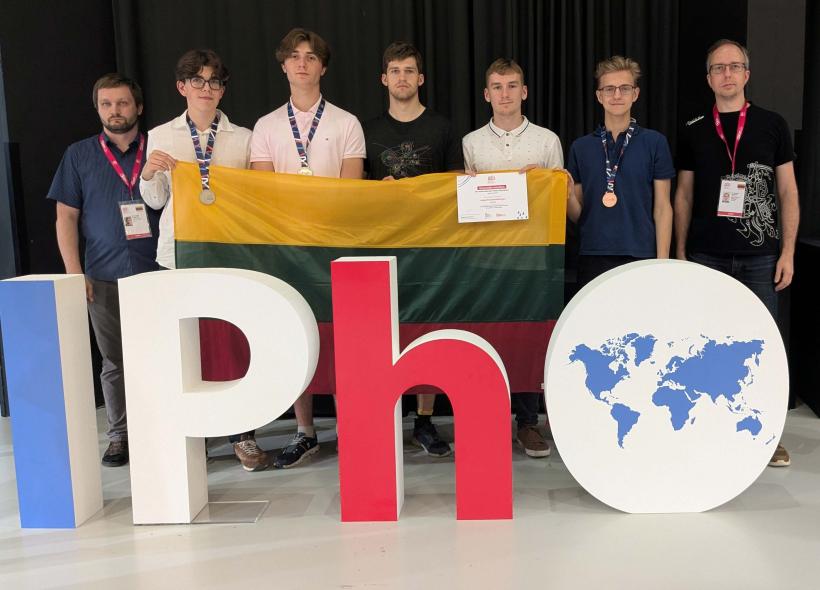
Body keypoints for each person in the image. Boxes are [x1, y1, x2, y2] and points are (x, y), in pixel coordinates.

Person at [674, 39, 799, 467]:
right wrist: (680, 250)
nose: (726, 74)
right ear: (708, 78)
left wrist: (788, 252)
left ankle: (766, 433)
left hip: (760, 257)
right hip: (706, 255)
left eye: (734, 66)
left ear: (747, 73)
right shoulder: (693, 127)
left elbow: (788, 191)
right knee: (706, 344)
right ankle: (709, 428)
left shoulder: (773, 125)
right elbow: (684, 194)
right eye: (718, 68)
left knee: (761, 345)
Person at [138, 50, 264, 471]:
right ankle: (190, 434)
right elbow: (155, 201)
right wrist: (149, 173)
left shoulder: (243, 138)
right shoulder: (161, 135)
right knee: (184, 347)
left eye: (214, 82)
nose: (206, 88)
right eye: (198, 80)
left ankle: (242, 434)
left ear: (223, 90)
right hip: (179, 254)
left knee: (232, 345)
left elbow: (252, 199)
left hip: (229, 254)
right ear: (182, 87)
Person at [250, 28, 366, 468]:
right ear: (283, 66)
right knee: (295, 335)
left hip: (335, 246)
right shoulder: (266, 126)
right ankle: (305, 431)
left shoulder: (346, 122)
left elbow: (351, 190)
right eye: (295, 56)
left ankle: (349, 428)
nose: (302, 63)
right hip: (286, 249)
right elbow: (264, 192)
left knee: (341, 339)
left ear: (323, 67)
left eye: (311, 57)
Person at [48, 74, 160, 467]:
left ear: (138, 107)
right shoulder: (78, 155)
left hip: (159, 274)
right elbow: (65, 217)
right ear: (97, 109)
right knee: (114, 362)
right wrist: (74, 273)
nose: (115, 111)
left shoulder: (159, 147)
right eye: (107, 104)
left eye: (123, 103)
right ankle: (119, 437)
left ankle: (166, 430)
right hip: (103, 274)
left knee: (164, 355)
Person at [362, 41, 463, 457]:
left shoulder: (443, 128)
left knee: (427, 332)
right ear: (383, 79)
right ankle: (382, 414)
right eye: (395, 71)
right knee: (381, 333)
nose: (401, 77)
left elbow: (457, 186)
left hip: (431, 248)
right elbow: (353, 193)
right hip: (382, 246)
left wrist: (422, 193)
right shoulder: (366, 130)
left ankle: (424, 420)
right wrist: (378, 191)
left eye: (409, 71)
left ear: (420, 79)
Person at [462, 58, 564, 458]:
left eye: (511, 86)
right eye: (497, 87)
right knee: (489, 337)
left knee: (528, 338)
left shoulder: (547, 141)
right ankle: (488, 417)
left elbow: (560, 202)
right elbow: (461, 208)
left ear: (524, 92)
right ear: (486, 94)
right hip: (486, 258)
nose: (504, 94)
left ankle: (527, 422)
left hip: (532, 257)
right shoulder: (471, 143)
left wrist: (546, 183)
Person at [566, 55, 674, 286]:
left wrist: (662, 262)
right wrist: (566, 195)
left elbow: (663, 207)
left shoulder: (655, 143)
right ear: (599, 96)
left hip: (641, 254)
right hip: (593, 255)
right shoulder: (580, 147)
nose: (617, 95)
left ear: (635, 94)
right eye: (609, 89)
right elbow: (577, 215)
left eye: (624, 88)